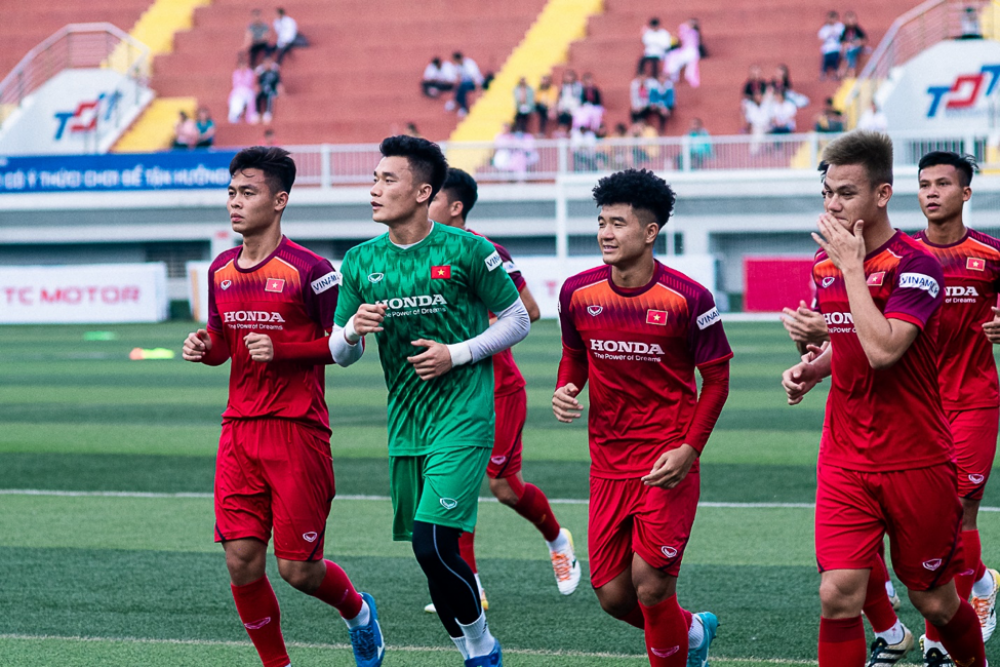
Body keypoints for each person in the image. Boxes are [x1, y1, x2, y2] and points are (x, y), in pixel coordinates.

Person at [784, 151, 1000, 664]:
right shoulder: (825, 262)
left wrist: (853, 267)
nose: (832, 205)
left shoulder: (917, 264)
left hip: (919, 453)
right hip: (846, 456)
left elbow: (883, 350)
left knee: (936, 599)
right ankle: (893, 634)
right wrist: (813, 369)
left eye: (846, 193)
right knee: (837, 594)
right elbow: (849, 339)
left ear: (882, 195)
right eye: (827, 194)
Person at [329, 136, 530, 666]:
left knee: (433, 543)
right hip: (406, 423)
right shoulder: (359, 261)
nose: (374, 189)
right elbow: (338, 352)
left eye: (387, 180)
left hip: (464, 415)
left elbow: (518, 319)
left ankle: (483, 647)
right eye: (373, 179)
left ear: (423, 192)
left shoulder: (468, 250)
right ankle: (471, 648)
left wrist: (457, 354)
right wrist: (352, 331)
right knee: (432, 559)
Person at [181, 146, 384, 667]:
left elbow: (349, 349)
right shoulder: (221, 269)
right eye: (231, 192)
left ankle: (359, 613)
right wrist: (206, 349)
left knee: (299, 570)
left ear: (280, 200)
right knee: (241, 560)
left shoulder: (312, 271)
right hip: (239, 432)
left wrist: (284, 349)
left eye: (248, 193)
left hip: (298, 432)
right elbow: (225, 346)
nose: (235, 202)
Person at [553, 168, 731, 667]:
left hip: (667, 460)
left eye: (618, 223)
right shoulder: (577, 292)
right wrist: (568, 387)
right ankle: (693, 630)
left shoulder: (688, 298)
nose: (605, 233)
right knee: (613, 595)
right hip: (608, 462)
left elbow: (716, 380)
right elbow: (574, 354)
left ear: (650, 233)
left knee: (651, 587)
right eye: (602, 222)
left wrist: (689, 450)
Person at [420, 167, 581, 614]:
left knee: (503, 487)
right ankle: (468, 586)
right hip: (448, 392)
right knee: (458, 481)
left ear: (454, 207)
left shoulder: (486, 251)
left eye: (430, 198)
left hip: (496, 390)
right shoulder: (418, 255)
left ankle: (557, 539)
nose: (421, 204)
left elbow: (529, 311)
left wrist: (464, 342)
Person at [664, 20, 700, 88]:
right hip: (686, 51)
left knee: (676, 60)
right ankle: (671, 75)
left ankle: (669, 73)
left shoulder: (693, 33)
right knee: (672, 56)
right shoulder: (688, 32)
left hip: (690, 52)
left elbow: (682, 28)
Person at [447, 52, 484, 117]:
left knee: (462, 86)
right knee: (459, 86)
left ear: (458, 59)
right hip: (465, 84)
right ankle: (456, 102)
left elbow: (475, 76)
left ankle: (463, 107)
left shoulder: (469, 64)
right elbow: (458, 77)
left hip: (475, 83)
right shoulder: (457, 66)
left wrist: (479, 88)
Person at [228, 55, 258, 124]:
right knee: (236, 100)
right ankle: (234, 115)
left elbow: (251, 83)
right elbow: (235, 84)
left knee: (251, 97)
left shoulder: (250, 72)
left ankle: (251, 116)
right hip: (238, 90)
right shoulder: (235, 73)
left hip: (248, 90)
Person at [839, 12, 868, 78]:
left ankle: (851, 71)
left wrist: (858, 42)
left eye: (852, 20)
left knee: (850, 53)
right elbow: (842, 41)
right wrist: (846, 44)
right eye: (848, 20)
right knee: (848, 53)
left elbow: (864, 40)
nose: (850, 22)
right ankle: (848, 71)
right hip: (849, 49)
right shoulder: (844, 30)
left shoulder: (857, 30)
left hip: (857, 48)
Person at [255, 56, 282, 124]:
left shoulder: (275, 73)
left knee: (269, 95)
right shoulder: (262, 74)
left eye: (268, 63)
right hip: (264, 90)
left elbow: (279, 84)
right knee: (258, 96)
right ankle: (257, 113)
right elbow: (259, 84)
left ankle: (268, 113)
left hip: (272, 90)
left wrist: (280, 92)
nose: (267, 65)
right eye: (265, 63)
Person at [818, 11, 845, 80]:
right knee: (825, 63)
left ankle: (837, 75)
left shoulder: (840, 26)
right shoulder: (825, 28)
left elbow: (843, 36)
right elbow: (821, 37)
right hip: (827, 49)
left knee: (836, 63)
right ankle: (823, 75)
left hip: (836, 48)